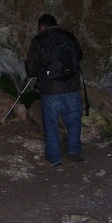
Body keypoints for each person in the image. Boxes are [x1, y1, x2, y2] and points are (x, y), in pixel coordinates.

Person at [25, 14, 84, 166]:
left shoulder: (39, 41)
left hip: (51, 89)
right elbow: (79, 55)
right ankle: (74, 151)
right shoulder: (69, 36)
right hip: (71, 86)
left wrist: (38, 69)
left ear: (42, 26)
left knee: (50, 123)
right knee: (74, 120)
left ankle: (54, 157)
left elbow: (31, 69)